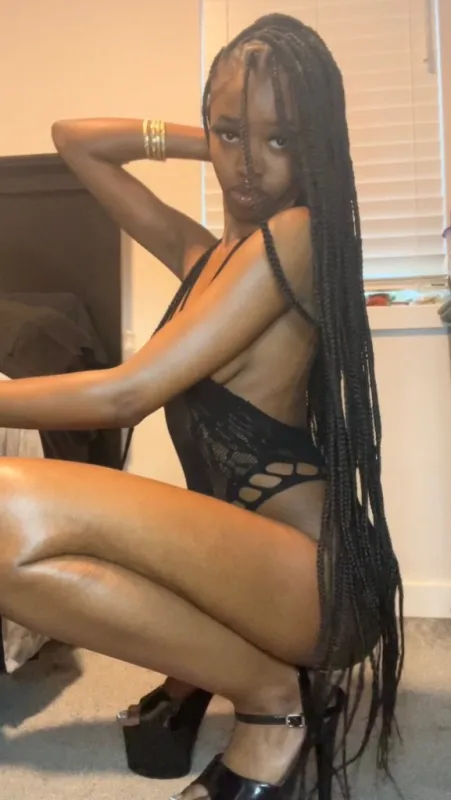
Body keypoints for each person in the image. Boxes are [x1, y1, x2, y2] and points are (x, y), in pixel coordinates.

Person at [0, 13, 404, 800]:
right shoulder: (207, 256)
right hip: (255, 573)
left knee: (7, 506)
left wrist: (244, 130)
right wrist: (227, 133)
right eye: (229, 135)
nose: (249, 164)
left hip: (319, 584)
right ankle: (235, 679)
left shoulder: (298, 236)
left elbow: (127, 394)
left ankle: (273, 702)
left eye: (283, 140)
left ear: (315, 145)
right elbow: (74, 140)